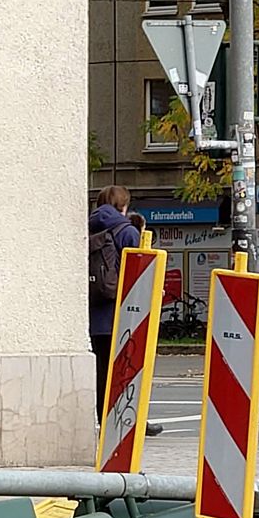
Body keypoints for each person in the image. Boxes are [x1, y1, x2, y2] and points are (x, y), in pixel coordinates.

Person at [87, 185, 161, 436]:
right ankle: (131, 418)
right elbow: (139, 272)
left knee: (103, 370)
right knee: (128, 367)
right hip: (122, 312)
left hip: (95, 314)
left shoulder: (88, 227)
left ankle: (104, 418)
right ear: (123, 205)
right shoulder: (126, 230)